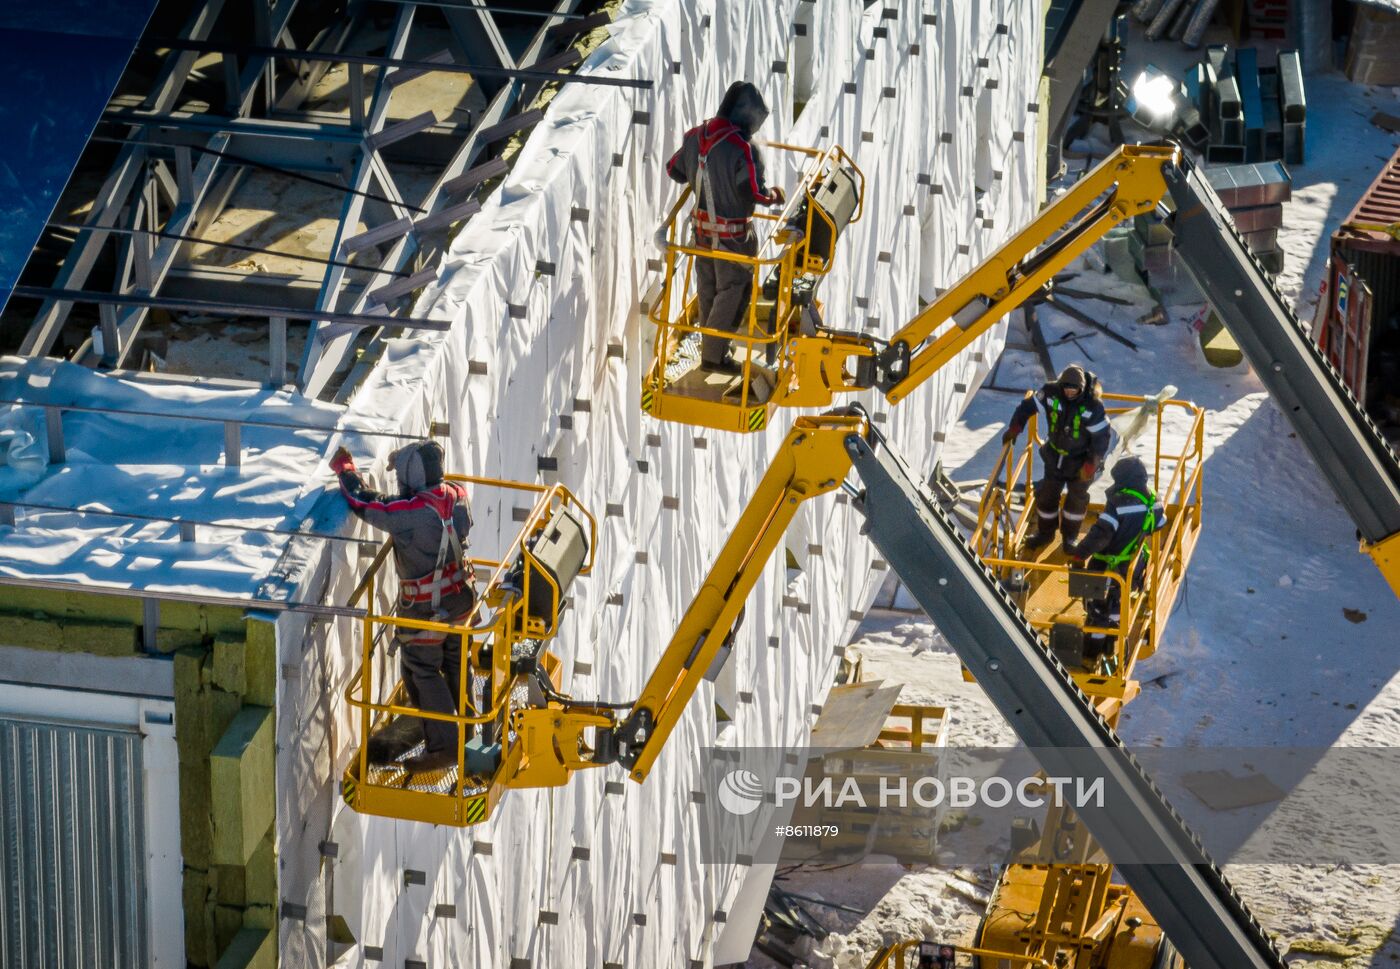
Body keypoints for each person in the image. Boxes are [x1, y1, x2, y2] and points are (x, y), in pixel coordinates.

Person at [331, 441, 475, 773]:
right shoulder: (457, 495)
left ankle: (444, 747)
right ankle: (467, 733)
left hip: (428, 609)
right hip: (462, 600)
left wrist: (346, 470)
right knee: (456, 659)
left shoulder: (411, 515)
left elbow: (365, 503)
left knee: (419, 668)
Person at [666, 81, 786, 372]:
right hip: (733, 237)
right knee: (734, 289)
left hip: (701, 233)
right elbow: (753, 193)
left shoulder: (696, 135)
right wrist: (774, 195)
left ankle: (710, 348)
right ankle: (714, 356)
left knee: (708, 287)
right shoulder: (742, 147)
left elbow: (674, 169)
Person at [1064, 455, 1166, 658]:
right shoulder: (1153, 500)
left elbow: (1100, 535)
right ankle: (1111, 645)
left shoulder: (1118, 504)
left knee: (1098, 610)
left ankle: (1092, 652)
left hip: (1109, 566)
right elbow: (1160, 524)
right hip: (1134, 565)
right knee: (1117, 605)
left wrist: (1079, 555)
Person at [1001, 364, 1111, 548]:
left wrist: (1091, 464)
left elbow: (1102, 437)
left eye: (1073, 390)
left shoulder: (1093, 406)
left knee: (1075, 502)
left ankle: (1069, 538)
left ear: (1081, 389)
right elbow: (1026, 408)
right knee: (1046, 497)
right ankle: (1045, 534)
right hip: (1054, 457)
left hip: (1081, 462)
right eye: (1066, 388)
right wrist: (1015, 428)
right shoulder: (1050, 393)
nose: (1069, 392)